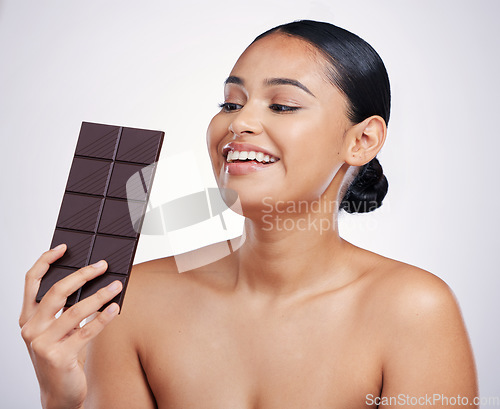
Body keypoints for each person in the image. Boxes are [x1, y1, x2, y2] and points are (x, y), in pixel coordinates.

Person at [20, 20, 478, 408]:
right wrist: (60, 398)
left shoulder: (414, 310)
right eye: (231, 103)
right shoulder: (134, 302)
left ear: (362, 141)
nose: (238, 123)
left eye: (282, 105)